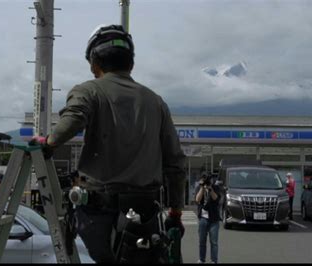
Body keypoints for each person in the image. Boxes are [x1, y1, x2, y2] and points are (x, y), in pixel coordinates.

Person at [32, 24, 186, 263]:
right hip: (145, 217)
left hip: (97, 218)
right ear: (131, 63)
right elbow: (175, 163)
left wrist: (49, 142)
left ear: (94, 62)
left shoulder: (88, 90)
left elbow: (73, 119)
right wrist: (175, 213)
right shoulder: (156, 102)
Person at [195, 172, 222, 264]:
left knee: (214, 242)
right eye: (204, 179)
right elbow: (197, 200)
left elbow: (216, 199)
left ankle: (214, 260)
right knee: (202, 241)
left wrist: (210, 189)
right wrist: (202, 188)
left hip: (213, 219)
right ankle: (201, 259)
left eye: (207, 179)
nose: (206, 181)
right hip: (203, 218)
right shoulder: (199, 187)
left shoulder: (215, 187)